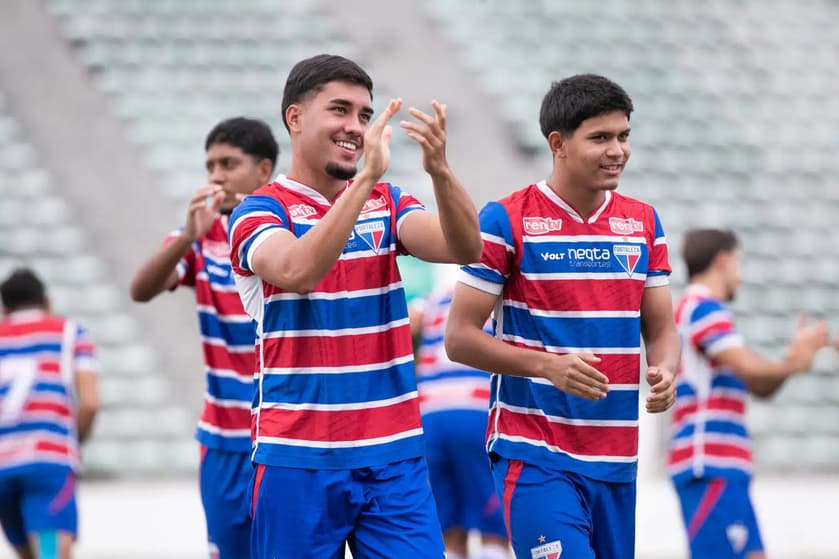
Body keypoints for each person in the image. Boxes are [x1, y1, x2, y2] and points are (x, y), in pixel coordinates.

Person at [228, 54, 482, 559]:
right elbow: (299, 270)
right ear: (295, 117)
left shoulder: (389, 202)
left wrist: (439, 171)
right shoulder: (258, 211)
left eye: (365, 116)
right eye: (340, 110)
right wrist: (362, 181)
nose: (355, 126)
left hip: (395, 456)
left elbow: (465, 247)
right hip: (297, 457)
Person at [444, 74, 681, 559]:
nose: (617, 150)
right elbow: (459, 338)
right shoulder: (505, 219)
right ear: (558, 144)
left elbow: (661, 329)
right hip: (534, 454)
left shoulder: (643, 222)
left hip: (616, 459)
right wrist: (547, 365)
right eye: (600, 138)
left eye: (623, 136)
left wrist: (666, 369)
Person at [129, 117, 278, 559]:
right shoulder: (201, 236)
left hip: (282, 434)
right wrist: (188, 236)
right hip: (222, 439)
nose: (215, 175)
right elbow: (141, 289)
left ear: (263, 170)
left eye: (229, 163)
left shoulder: (289, 228)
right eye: (210, 165)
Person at [667, 228, 829, 559]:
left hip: (722, 467)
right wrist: (794, 363)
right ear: (723, 261)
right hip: (709, 464)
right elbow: (751, 369)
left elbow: (758, 384)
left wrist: (790, 362)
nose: (740, 277)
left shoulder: (704, 312)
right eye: (738, 264)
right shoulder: (701, 308)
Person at [0, 268, 100, 559]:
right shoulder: (69, 332)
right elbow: (90, 402)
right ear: (47, 302)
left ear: (4, 308)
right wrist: (75, 441)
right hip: (48, 467)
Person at [415, 278, 510, 559]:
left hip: (430, 414)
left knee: (448, 527)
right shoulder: (500, 294)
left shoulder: (437, 295)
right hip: (476, 412)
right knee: (494, 525)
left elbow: (412, 320)